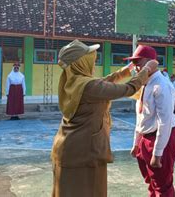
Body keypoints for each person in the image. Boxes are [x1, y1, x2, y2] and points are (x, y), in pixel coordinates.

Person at [51, 40, 157, 197]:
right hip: (85, 152)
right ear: (81, 63)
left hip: (70, 149)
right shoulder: (88, 86)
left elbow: (101, 84)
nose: (93, 64)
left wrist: (125, 71)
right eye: (91, 60)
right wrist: (146, 70)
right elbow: (127, 89)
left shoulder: (75, 81)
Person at [127, 45, 175, 197]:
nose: (136, 68)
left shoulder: (162, 85)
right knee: (151, 182)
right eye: (134, 63)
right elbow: (141, 115)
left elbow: (165, 121)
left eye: (139, 63)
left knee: (162, 185)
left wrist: (157, 153)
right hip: (146, 137)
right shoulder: (145, 83)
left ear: (151, 63)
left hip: (162, 137)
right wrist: (136, 143)